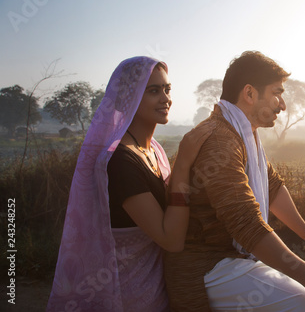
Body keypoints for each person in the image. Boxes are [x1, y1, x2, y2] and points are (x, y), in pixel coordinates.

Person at [164, 51, 305, 311]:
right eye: (276, 93)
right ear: (249, 94)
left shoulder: (240, 132)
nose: (282, 105)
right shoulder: (220, 140)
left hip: (231, 257)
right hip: (207, 266)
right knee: (304, 304)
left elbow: (272, 187)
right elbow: (245, 222)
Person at [47, 56, 212, 311]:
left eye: (167, 90)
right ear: (129, 98)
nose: (166, 98)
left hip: (158, 284)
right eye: (153, 91)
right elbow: (171, 240)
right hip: (130, 293)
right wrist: (184, 163)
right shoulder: (120, 162)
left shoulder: (153, 150)